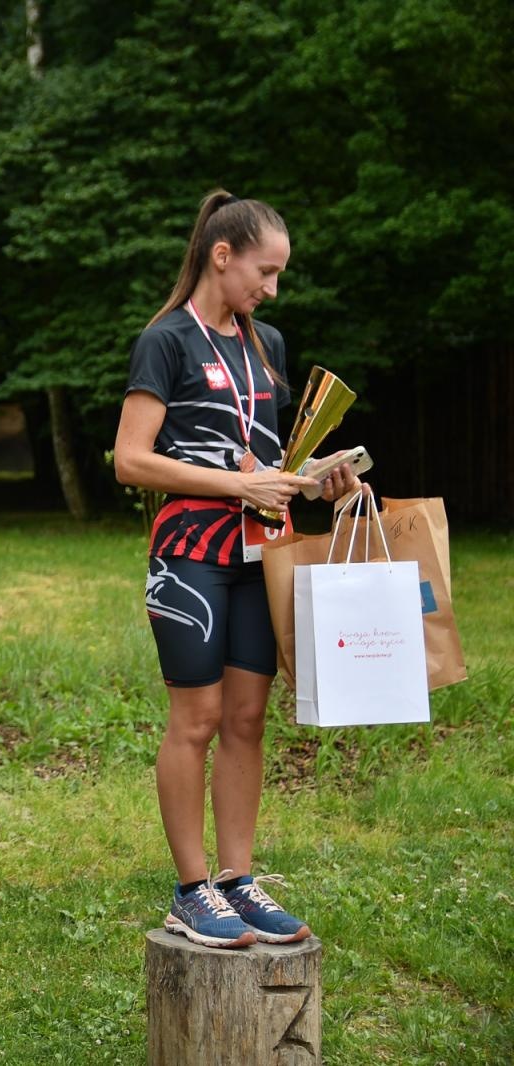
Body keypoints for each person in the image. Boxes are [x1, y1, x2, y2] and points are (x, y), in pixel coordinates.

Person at [113, 190, 360, 950]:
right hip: (190, 557)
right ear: (223, 256)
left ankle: (237, 881)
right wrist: (236, 487)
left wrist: (318, 477)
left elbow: (264, 460)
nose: (273, 288)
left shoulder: (268, 345)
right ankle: (191, 891)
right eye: (266, 270)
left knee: (249, 720)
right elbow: (129, 459)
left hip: (263, 555)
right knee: (198, 720)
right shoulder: (166, 341)